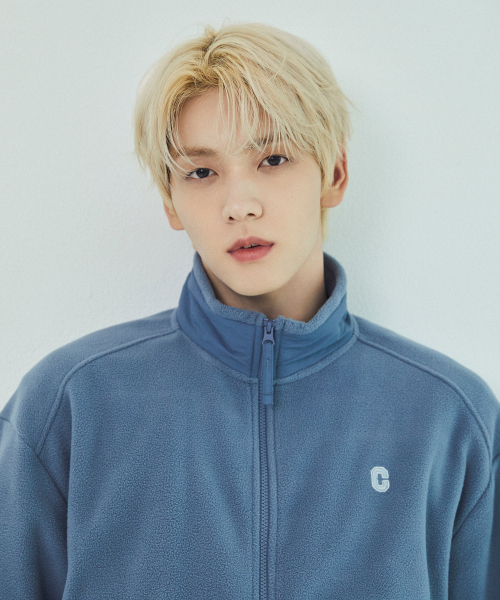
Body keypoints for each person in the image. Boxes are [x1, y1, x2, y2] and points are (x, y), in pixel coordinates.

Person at [0, 21, 498, 600]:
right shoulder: (69, 405)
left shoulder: (449, 419)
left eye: (274, 158)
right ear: (171, 202)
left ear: (334, 174)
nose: (239, 205)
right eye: (202, 172)